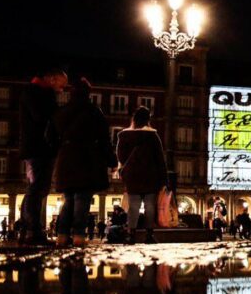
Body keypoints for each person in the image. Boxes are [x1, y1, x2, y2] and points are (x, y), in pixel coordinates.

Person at [46, 78, 116, 247]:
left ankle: (62, 235)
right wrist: (112, 161)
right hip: (87, 158)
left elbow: (49, 137)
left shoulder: (60, 112)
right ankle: (78, 235)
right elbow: (104, 140)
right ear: (87, 93)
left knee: (68, 199)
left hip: (66, 158)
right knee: (82, 199)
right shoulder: (94, 112)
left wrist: (61, 150)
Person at [19, 67, 68, 244]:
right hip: (38, 147)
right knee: (37, 188)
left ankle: (27, 227)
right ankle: (33, 230)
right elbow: (42, 117)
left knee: (37, 188)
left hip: (39, 147)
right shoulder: (35, 92)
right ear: (52, 78)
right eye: (61, 85)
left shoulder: (38, 92)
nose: (61, 90)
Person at [116, 107, 168, 244]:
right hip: (150, 175)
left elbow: (120, 156)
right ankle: (149, 235)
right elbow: (160, 159)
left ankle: (130, 234)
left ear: (134, 119)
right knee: (150, 206)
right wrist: (164, 180)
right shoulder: (152, 135)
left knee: (134, 206)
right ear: (148, 120)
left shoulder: (124, 135)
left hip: (132, 176)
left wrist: (128, 169)